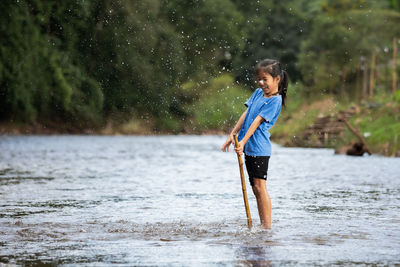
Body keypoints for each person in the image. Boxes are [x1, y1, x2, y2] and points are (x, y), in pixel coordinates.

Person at [221, 59, 289, 229]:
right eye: (259, 79)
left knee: (260, 187)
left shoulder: (275, 100)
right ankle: (261, 225)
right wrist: (234, 133)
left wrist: (243, 141)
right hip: (249, 148)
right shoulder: (259, 93)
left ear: (277, 79)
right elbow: (247, 112)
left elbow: (257, 121)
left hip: (259, 149)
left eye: (265, 79)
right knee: (255, 188)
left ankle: (266, 227)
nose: (261, 83)